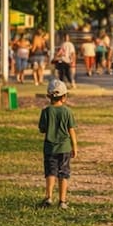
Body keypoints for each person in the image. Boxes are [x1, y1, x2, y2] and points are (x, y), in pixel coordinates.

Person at [39, 80, 78, 209]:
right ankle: (62, 200)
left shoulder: (46, 111)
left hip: (49, 148)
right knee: (63, 173)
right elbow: (71, 130)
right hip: (65, 148)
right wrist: (75, 147)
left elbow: (42, 129)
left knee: (51, 172)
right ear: (64, 96)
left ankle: (49, 197)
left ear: (48, 96)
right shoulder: (67, 112)